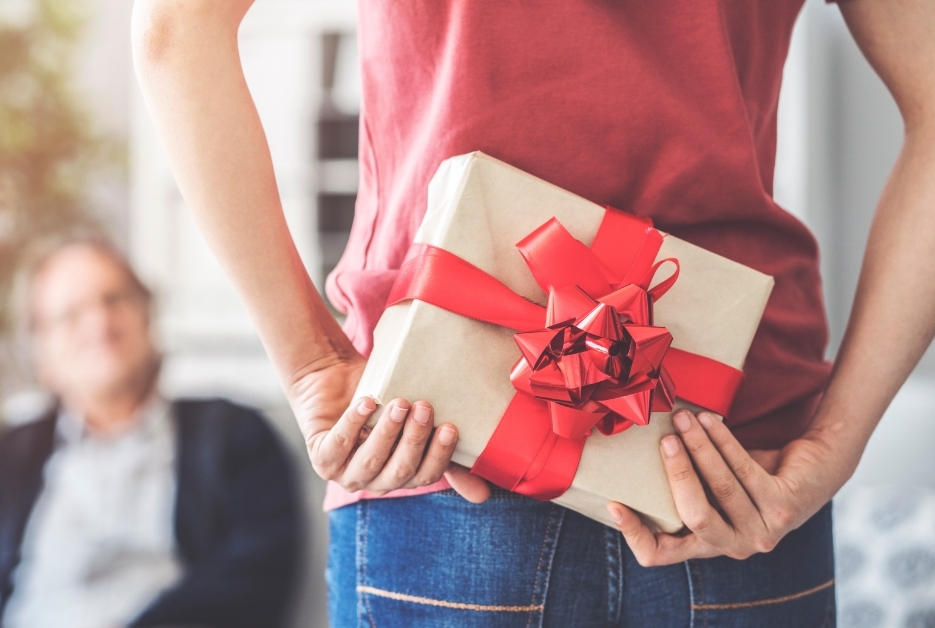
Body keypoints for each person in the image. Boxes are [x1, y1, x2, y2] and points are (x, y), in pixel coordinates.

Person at [131, 0, 935, 625]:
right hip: (732, 458)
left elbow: (175, 29)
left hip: (433, 426)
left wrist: (311, 366)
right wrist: (836, 439)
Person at [0, 237, 300, 628]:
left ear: (147, 316)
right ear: (42, 357)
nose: (99, 325)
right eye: (71, 315)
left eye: (114, 300)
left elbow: (254, 578)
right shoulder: (13, 450)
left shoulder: (233, 435)